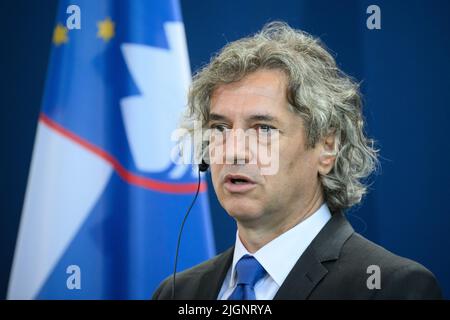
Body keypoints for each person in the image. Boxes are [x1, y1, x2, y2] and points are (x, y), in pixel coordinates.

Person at [153, 22, 442, 300]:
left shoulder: (390, 288)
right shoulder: (177, 292)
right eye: (220, 128)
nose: (233, 152)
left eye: (263, 129)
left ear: (327, 148)